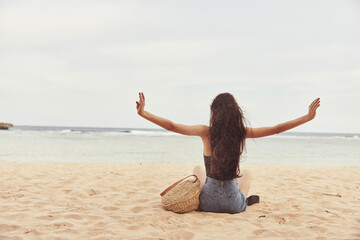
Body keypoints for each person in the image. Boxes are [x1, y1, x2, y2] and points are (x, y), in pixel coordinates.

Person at [136, 92, 320, 213]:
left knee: (198, 169)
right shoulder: (242, 132)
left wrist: (144, 113)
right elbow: (276, 129)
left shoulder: (205, 131)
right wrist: (307, 117)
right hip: (234, 205)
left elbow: (172, 126)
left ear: (214, 113)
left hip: (207, 203)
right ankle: (244, 200)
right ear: (236, 112)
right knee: (246, 173)